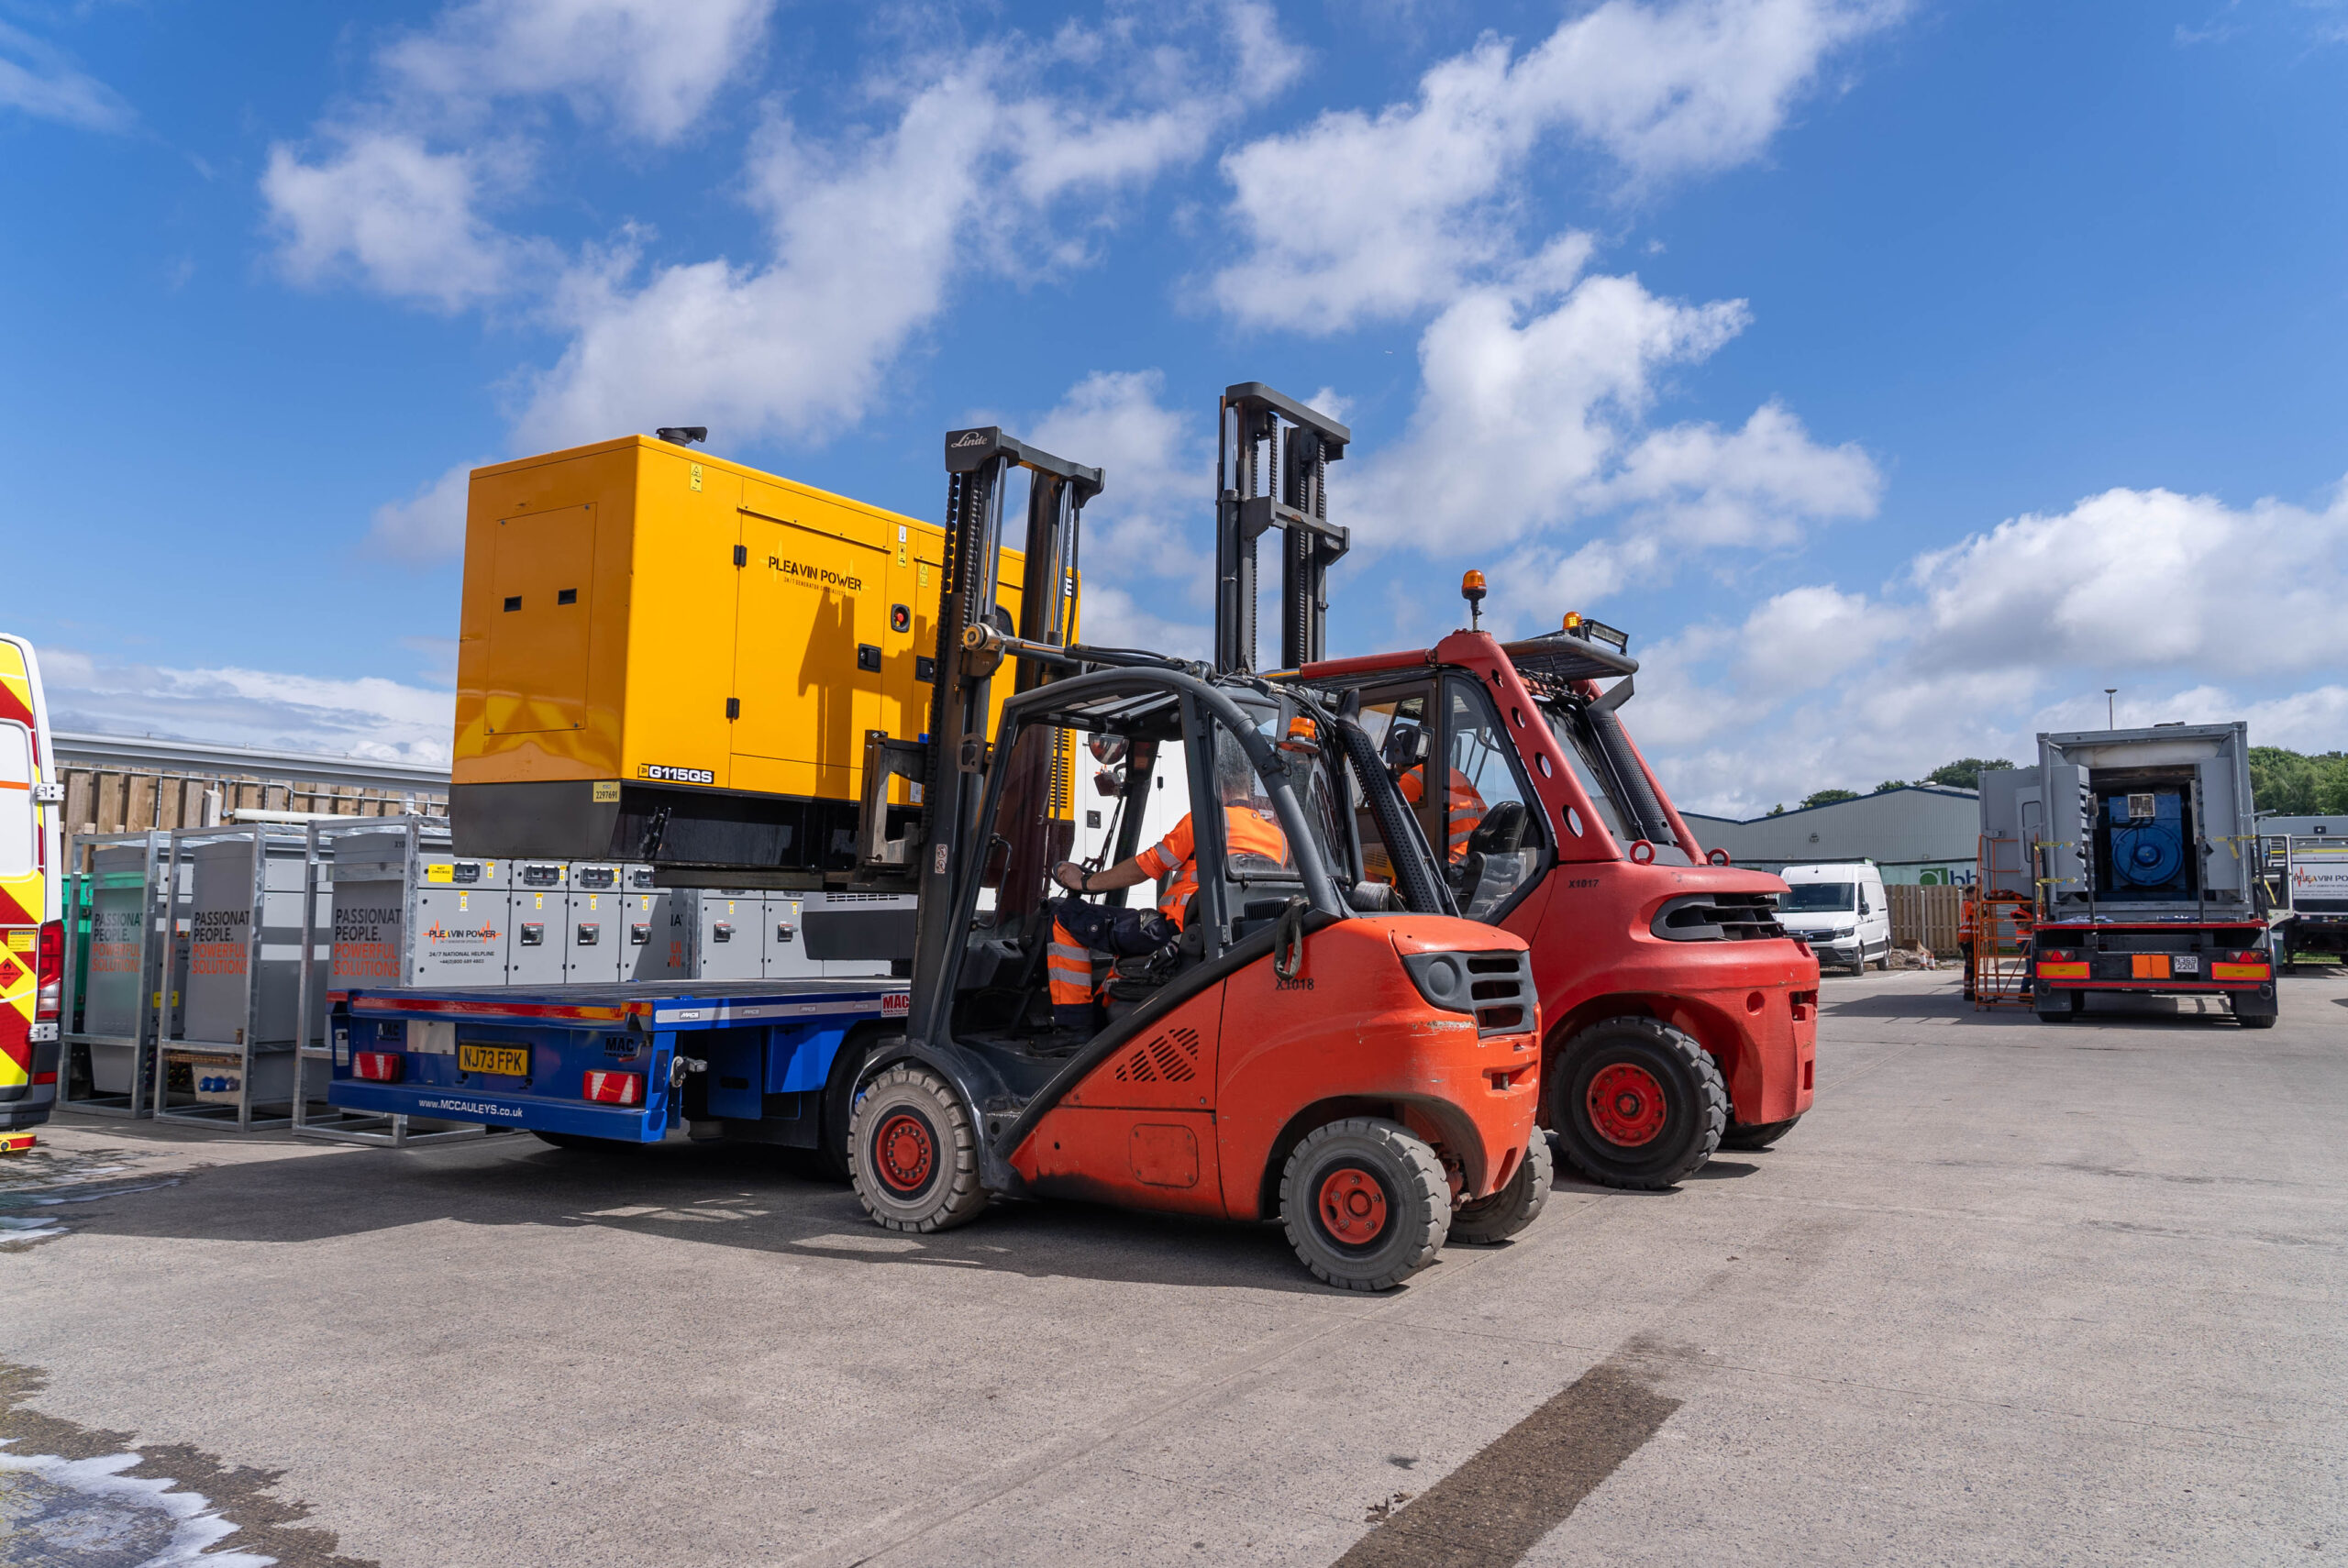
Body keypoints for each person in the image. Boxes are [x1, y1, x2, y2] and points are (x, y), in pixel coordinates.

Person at [1044, 734, 1288, 1032]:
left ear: (1218, 785)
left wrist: (1086, 883)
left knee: (1065, 917)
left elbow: (1146, 866)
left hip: (1173, 935)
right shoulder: (1278, 837)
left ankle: (1071, 1030)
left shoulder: (1206, 822)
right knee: (1123, 938)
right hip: (1220, 940)